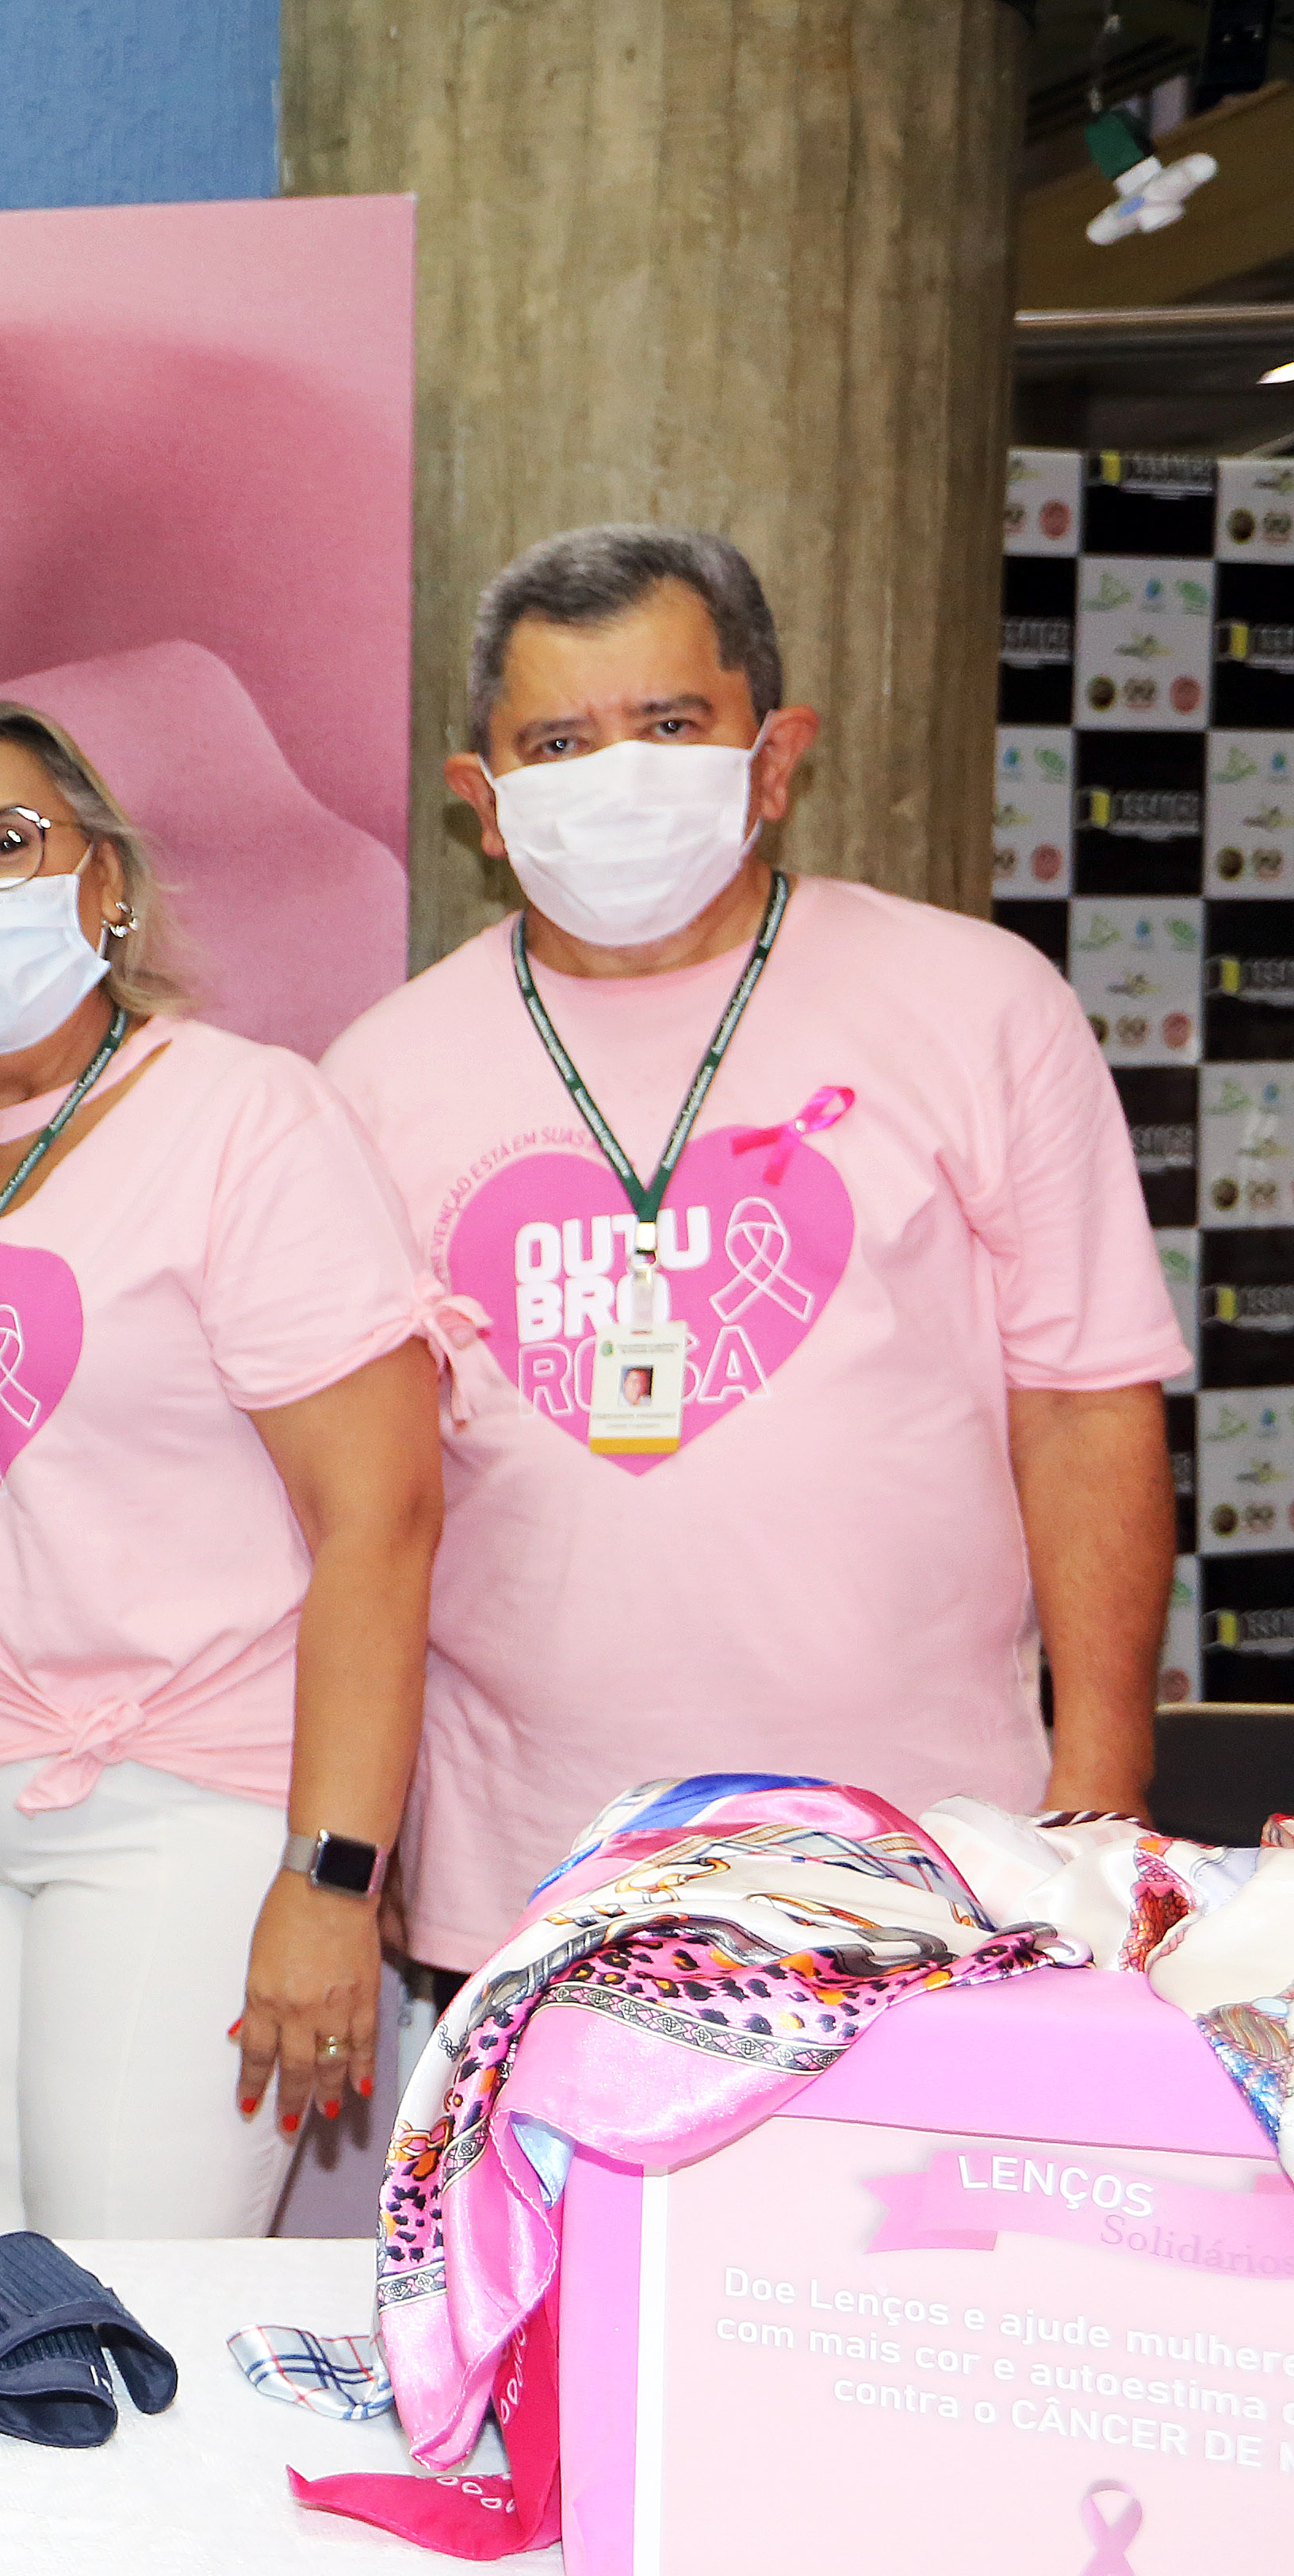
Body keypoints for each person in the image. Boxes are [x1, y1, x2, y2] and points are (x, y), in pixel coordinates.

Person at [321, 527, 1186, 1981]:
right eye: (557, 743)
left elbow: (1085, 1403)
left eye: (669, 726)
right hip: (529, 1866)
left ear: (773, 760)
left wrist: (1099, 1792)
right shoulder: (372, 1080)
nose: (615, 776)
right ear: (484, 802)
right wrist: (364, 1839)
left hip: (942, 1854)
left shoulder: (979, 1003)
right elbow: (358, 1506)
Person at [0, 696, 439, 2237]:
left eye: (3, 844)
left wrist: (334, 1877)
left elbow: (383, 1520)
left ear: (104, 876)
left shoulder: (248, 1121)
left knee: (130, 2295)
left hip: (185, 1801)